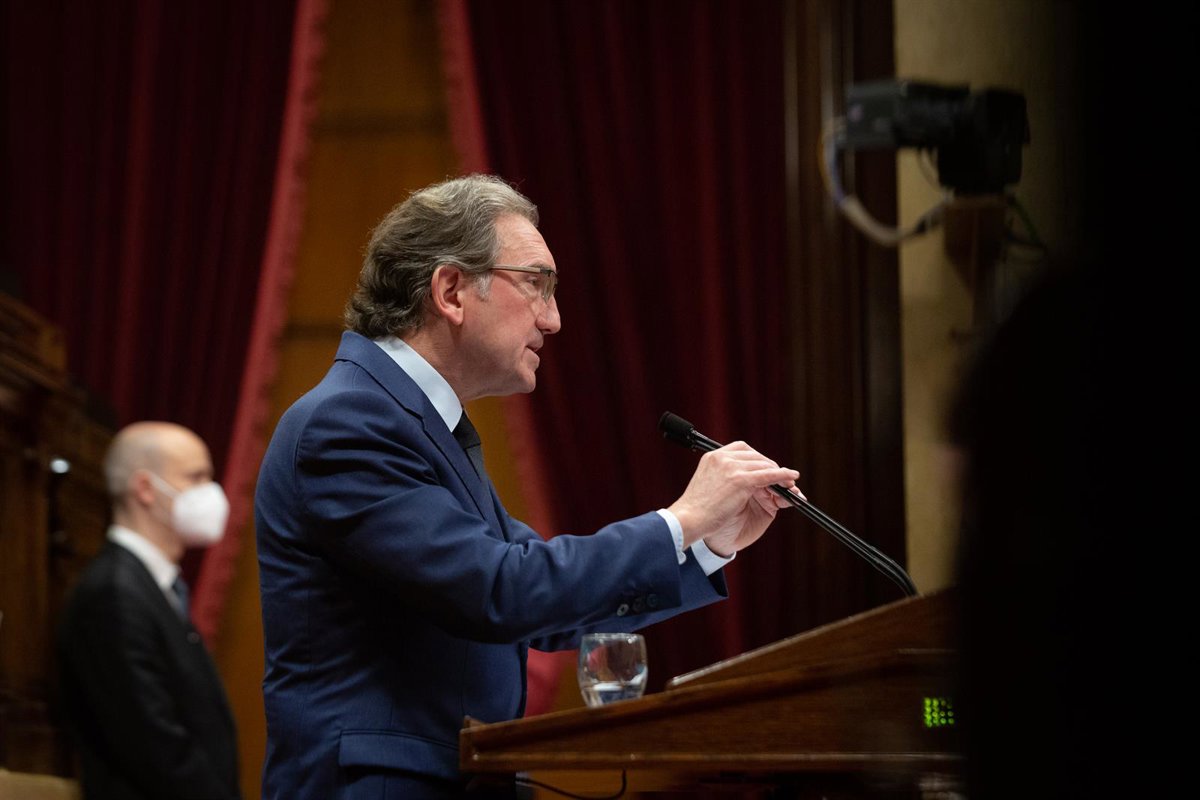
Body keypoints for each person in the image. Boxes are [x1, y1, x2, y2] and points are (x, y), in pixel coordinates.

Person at [254, 173, 801, 798]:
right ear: (452, 290)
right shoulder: (348, 421)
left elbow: (545, 607)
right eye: (537, 284)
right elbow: (501, 592)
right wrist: (682, 518)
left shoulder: (416, 422)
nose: (555, 319)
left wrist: (709, 543)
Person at [55, 421, 240, 800]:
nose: (211, 493)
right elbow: (155, 747)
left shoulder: (154, 585)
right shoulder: (113, 593)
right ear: (145, 488)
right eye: (196, 477)